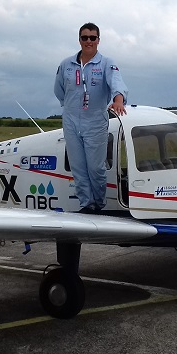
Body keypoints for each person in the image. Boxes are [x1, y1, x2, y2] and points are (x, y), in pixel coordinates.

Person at [54, 23, 128, 214]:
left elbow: (117, 84)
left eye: (92, 38)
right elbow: (59, 90)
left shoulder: (106, 63)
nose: (88, 41)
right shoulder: (66, 64)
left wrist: (118, 100)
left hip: (95, 121)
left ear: (98, 40)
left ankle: (99, 203)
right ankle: (86, 205)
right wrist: (70, 107)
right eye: (85, 37)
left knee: (95, 168)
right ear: (79, 40)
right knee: (78, 168)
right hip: (71, 121)